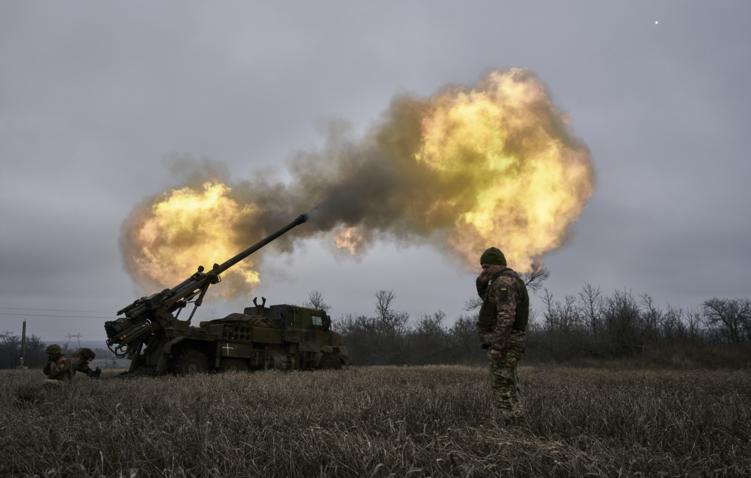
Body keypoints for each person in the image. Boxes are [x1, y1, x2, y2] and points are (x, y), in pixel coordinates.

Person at [475, 247, 530, 425]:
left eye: (486, 267)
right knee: (508, 385)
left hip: (506, 344)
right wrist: (481, 283)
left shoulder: (504, 283)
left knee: (502, 386)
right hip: (510, 342)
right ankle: (517, 427)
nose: (484, 271)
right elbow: (491, 303)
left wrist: (497, 346)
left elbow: (506, 317)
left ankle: (514, 430)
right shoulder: (505, 281)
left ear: (497, 265)